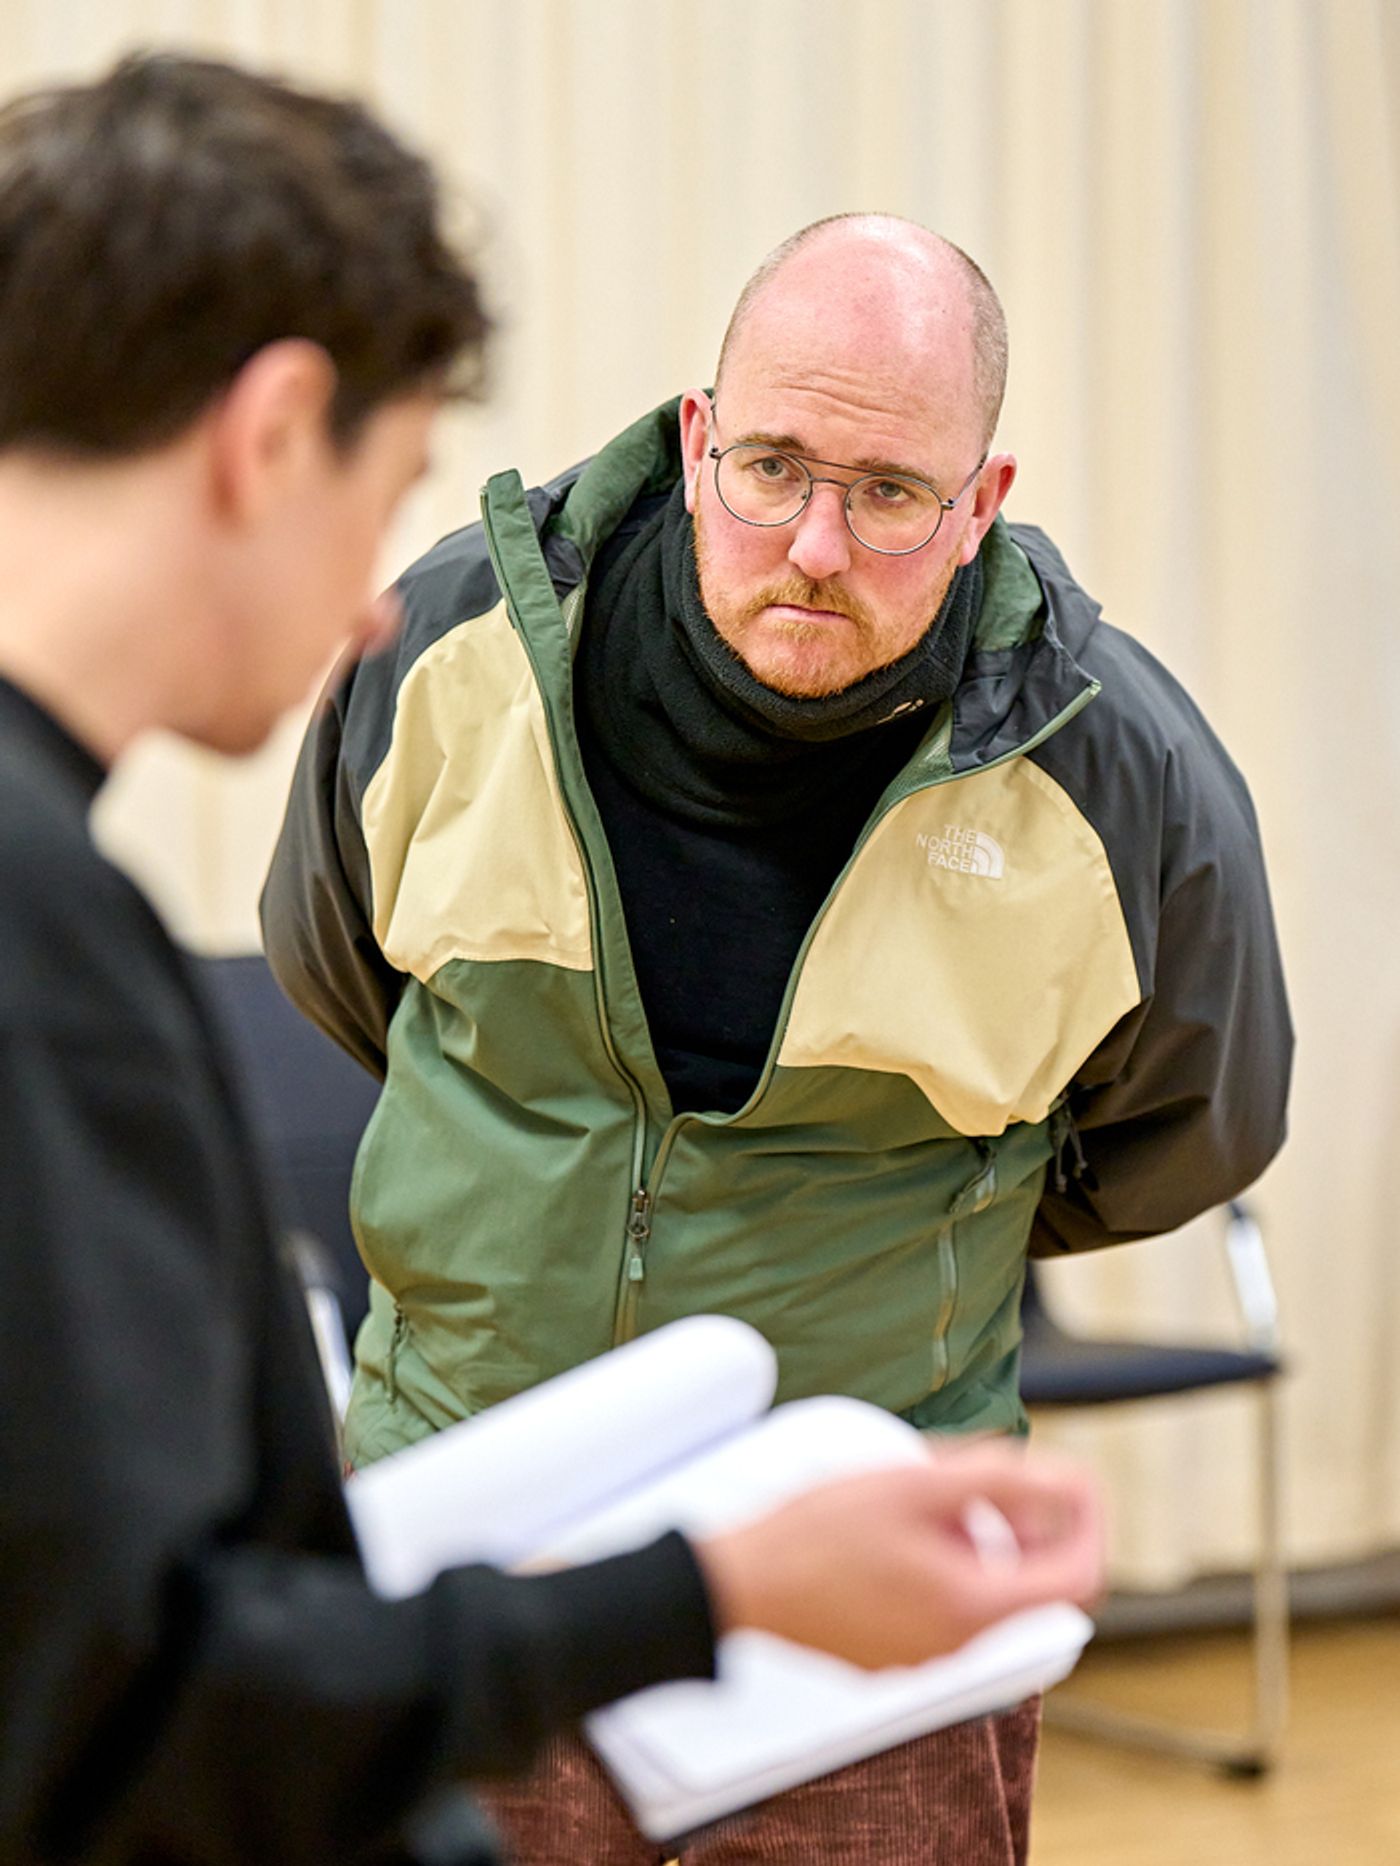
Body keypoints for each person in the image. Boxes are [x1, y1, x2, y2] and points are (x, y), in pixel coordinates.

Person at [0, 58, 1107, 1866]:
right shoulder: (40, 941)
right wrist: (715, 1589)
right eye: (386, 486)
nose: (374, 597)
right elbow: (135, 1703)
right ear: (274, 432)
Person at [264, 207, 1292, 1863]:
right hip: (470, 1540)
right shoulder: (453, 649)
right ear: (695, 442)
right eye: (771, 467)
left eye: (889, 494)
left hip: (868, 1601)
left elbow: (1192, 1124)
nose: (815, 542)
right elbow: (342, 968)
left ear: (983, 508)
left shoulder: (1122, 781)